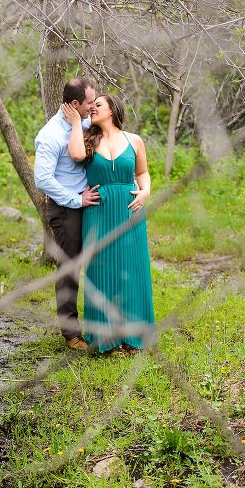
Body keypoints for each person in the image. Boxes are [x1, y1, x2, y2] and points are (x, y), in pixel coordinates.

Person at [62, 94, 155, 353]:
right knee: (101, 271)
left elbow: (142, 173)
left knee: (132, 270)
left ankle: (133, 336)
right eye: (91, 106)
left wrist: (146, 191)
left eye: (98, 105)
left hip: (129, 210)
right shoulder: (88, 138)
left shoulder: (134, 140)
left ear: (113, 110)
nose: (92, 109)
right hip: (99, 213)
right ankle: (106, 339)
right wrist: (73, 124)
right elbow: (77, 154)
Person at [34, 78, 100, 350]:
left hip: (88, 205)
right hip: (66, 210)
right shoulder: (49, 136)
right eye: (89, 103)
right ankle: (71, 334)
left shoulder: (84, 123)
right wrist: (75, 199)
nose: (93, 106)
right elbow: (42, 179)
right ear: (75, 105)